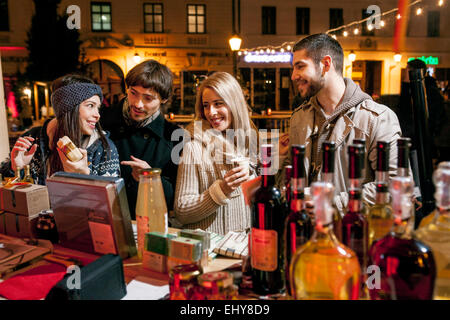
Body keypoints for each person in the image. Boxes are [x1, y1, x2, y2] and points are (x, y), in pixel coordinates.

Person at [280, 33, 404, 213]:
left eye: (300, 66)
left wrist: (333, 205)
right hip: (306, 231)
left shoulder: (377, 118)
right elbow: (291, 169)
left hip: (353, 232)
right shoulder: (300, 117)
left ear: (326, 64)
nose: (293, 76)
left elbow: (393, 186)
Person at [174, 71, 258, 235]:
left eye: (218, 104)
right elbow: (182, 211)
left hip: (243, 248)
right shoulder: (194, 148)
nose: (211, 112)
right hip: (211, 252)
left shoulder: (248, 143)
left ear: (235, 104)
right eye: (206, 105)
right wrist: (222, 189)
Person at [0, 74, 120, 184]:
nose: (97, 115)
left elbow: (111, 203)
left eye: (97, 107)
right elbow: (13, 198)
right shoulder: (31, 140)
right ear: (68, 108)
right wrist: (15, 169)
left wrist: (85, 177)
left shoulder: (104, 149)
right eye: (90, 105)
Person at [100, 59, 180, 220]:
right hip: (102, 218)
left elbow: (175, 199)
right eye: (133, 93)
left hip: (149, 225)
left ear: (164, 99)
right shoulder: (100, 120)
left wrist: (150, 178)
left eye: (148, 98)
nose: (138, 104)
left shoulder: (175, 136)